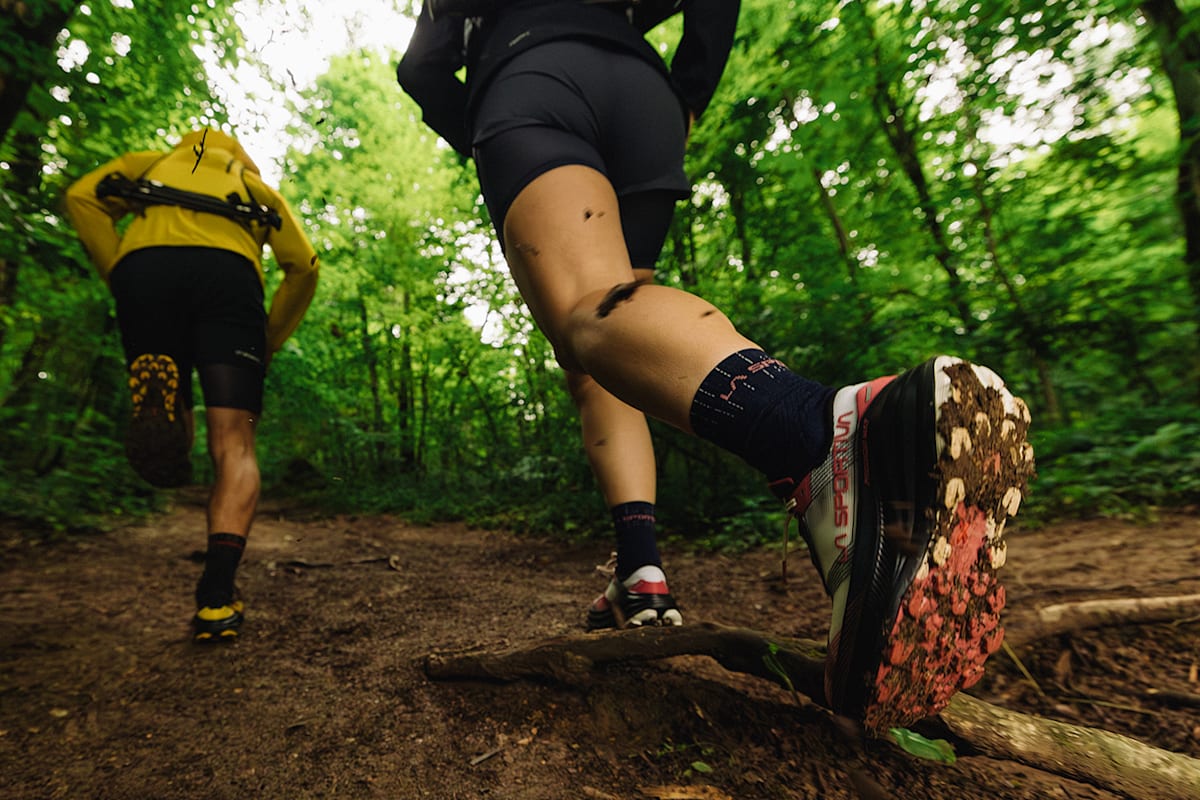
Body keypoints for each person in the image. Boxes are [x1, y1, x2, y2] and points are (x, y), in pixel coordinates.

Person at [396, 0, 1034, 733]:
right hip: (644, 96)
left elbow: (422, 68)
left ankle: (823, 431)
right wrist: (688, 89)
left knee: (587, 311)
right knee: (608, 338)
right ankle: (643, 569)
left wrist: (479, 121)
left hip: (532, 81)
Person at [65, 128, 320, 643]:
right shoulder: (254, 189)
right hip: (229, 281)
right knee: (235, 443)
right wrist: (267, 339)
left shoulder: (149, 161)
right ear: (239, 156)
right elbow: (304, 265)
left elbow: (80, 197)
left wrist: (120, 272)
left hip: (147, 271)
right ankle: (216, 599)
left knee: (164, 373)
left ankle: (169, 409)